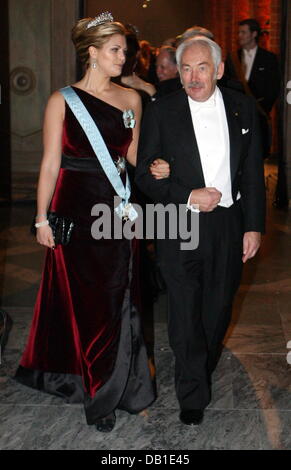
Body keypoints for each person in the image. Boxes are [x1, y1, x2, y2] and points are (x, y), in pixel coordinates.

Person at [14, 12, 169, 433]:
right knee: (84, 303)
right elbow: (49, 164)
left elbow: (133, 158)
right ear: (93, 53)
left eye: (125, 49)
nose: (125, 57)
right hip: (73, 211)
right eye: (116, 50)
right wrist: (41, 217)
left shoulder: (131, 100)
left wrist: (155, 165)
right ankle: (97, 391)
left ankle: (127, 386)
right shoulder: (60, 101)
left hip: (117, 211)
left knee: (121, 296)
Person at [135, 36, 266, 426]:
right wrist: (188, 195)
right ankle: (192, 393)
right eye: (186, 68)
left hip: (228, 224)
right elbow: (144, 175)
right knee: (184, 313)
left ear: (219, 70)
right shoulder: (162, 110)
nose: (193, 77)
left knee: (218, 309)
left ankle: (200, 367)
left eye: (202, 68)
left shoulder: (244, 109)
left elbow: (254, 176)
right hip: (179, 222)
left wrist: (254, 227)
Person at [225, 18, 281, 157]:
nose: (239, 36)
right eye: (239, 32)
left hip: (259, 113)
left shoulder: (269, 58)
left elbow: (273, 87)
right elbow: (225, 83)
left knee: (257, 154)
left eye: (243, 32)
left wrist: (262, 108)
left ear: (254, 34)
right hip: (236, 115)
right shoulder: (232, 58)